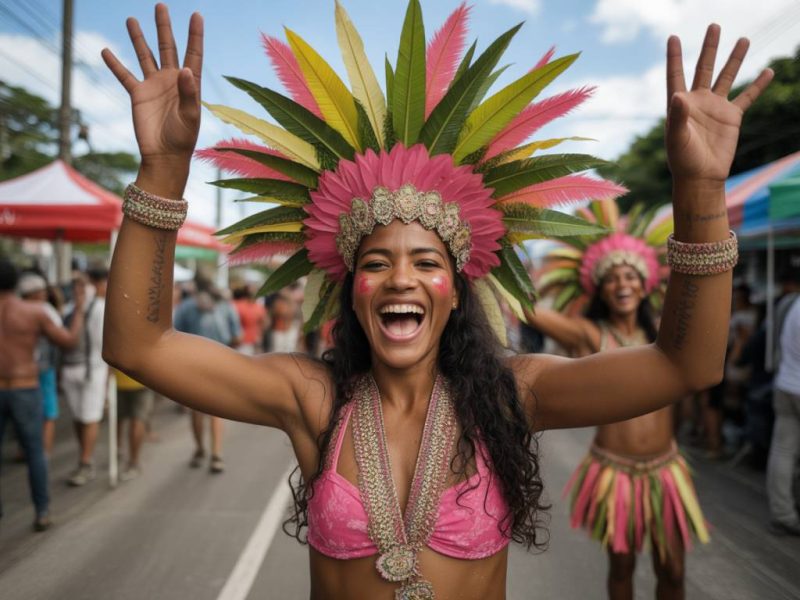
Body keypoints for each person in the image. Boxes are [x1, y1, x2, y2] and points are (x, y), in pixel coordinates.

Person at [101, 4, 772, 598]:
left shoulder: (512, 396)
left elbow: (686, 364)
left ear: (457, 293)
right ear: (349, 292)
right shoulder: (312, 399)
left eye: (427, 263)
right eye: (376, 264)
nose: (401, 279)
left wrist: (700, 191)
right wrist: (163, 170)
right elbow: (140, 347)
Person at [526, 200, 709, 600]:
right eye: (611, 278)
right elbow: (530, 311)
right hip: (615, 473)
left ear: (645, 284)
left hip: (665, 470)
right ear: (599, 289)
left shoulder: (664, 338)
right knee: (622, 567)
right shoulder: (591, 337)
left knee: (673, 570)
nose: (622, 284)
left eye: (629, 275)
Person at [0, 258, 86, 531]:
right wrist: (79, 309)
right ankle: (42, 511)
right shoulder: (33, 312)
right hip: (25, 386)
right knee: (35, 452)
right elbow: (69, 342)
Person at [173, 276, 241, 473]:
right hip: (220, 362)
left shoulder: (186, 306)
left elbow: (174, 335)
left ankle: (200, 449)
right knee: (216, 411)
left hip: (193, 364)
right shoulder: (224, 305)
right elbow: (237, 335)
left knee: (197, 410)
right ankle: (216, 454)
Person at [61, 266, 110, 487]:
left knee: (86, 417)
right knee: (83, 417)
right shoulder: (76, 308)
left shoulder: (86, 308)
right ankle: (85, 459)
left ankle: (85, 460)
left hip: (86, 369)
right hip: (86, 369)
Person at [766, 283, 800, 536]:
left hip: (786, 383)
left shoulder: (792, 303)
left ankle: (783, 513)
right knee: (784, 451)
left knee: (783, 450)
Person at [17, 272, 62, 456]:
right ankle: (43, 452)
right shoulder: (43, 310)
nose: (45, 294)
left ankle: (25, 450)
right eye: (42, 291)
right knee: (48, 412)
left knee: (23, 413)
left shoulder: (14, 309)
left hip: (21, 371)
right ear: (35, 293)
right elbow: (62, 337)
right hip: (43, 369)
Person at [114, 369, 154, 481]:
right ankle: (133, 462)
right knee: (138, 419)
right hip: (141, 378)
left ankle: (118, 450)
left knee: (119, 418)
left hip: (119, 379)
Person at [232, 284, 268, 355]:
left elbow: (265, 323)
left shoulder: (259, 307)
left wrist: (259, 335)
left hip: (251, 342)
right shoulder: (237, 305)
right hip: (242, 343)